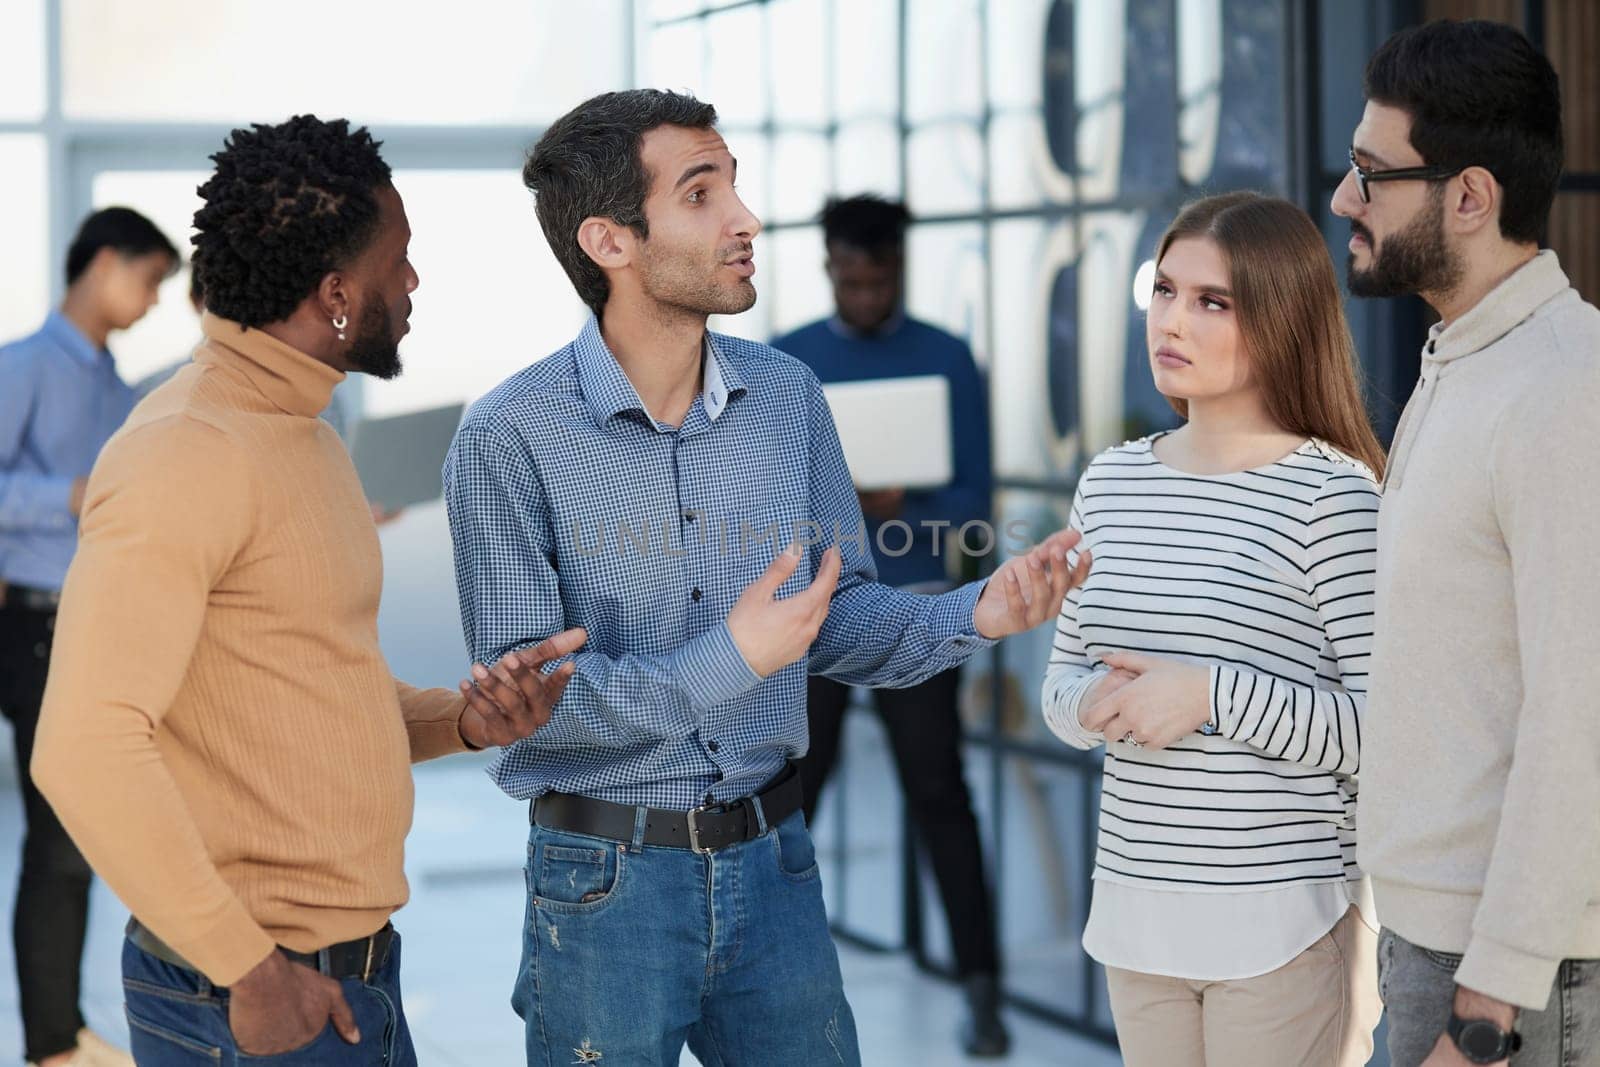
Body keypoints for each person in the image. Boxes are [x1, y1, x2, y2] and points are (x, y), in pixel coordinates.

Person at [443, 88, 1088, 1067]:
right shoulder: (507, 437)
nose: (745, 218)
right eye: (702, 194)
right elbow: (532, 707)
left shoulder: (787, 396)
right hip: (604, 885)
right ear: (610, 240)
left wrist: (977, 610)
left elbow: (840, 617)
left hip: (775, 870)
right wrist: (730, 657)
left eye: (735, 185)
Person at [31, 114, 583, 1066]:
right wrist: (247, 968)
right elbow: (83, 746)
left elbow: (313, 698)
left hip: (348, 971)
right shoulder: (183, 451)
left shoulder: (309, 437)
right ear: (336, 293)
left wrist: (466, 719)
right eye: (398, 260)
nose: (412, 283)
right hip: (254, 992)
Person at [1042, 191, 1387, 1066]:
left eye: (1211, 301)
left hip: (1283, 927)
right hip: (1137, 919)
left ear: (1280, 317)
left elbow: (1391, 727)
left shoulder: (1333, 497)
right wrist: (1097, 705)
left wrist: (1210, 694)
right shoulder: (1111, 481)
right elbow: (1058, 689)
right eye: (1163, 291)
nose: (1172, 320)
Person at [1333, 20, 1600, 1067]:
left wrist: (1484, 1012)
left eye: (1369, 173)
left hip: (1513, 979)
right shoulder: (1465, 358)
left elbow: (1578, 713)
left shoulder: (1561, 389)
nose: (1344, 199)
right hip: (1440, 946)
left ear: (1469, 196)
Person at [772, 194, 1008, 1056]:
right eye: (850, 276)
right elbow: (763, 502)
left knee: (938, 794)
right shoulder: (788, 361)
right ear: (831, 266)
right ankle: (772, 983)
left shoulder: (946, 359)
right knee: (796, 799)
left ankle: (983, 989)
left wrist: (902, 501)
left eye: (880, 279)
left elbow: (977, 506)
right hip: (813, 616)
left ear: (900, 270)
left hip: (914, 610)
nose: (865, 294)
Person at [0, 205, 178, 1067]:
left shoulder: (118, 390)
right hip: (26, 621)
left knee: (70, 838)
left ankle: (57, 1037)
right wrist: (66, 495)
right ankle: (52, 1041)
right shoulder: (24, 367)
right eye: (147, 281)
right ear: (103, 261)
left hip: (90, 628)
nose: (150, 303)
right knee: (60, 836)